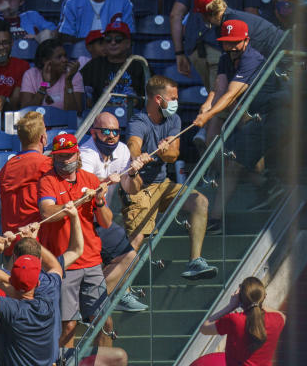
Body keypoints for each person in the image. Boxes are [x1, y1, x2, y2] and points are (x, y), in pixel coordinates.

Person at [0, 204, 84, 366]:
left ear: (15, 260)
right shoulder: (49, 288)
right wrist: (33, 240)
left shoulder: (12, 300)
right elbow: (65, 259)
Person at [125, 75, 217, 280]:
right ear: (158, 99)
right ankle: (122, 288)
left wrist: (162, 151)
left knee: (199, 202)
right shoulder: (138, 121)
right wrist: (137, 156)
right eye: (173, 98)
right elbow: (133, 144)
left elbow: (173, 155)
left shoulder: (173, 119)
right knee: (137, 238)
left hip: (163, 185)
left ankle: (195, 261)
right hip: (140, 188)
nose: (176, 102)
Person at [193, 19, 288, 215]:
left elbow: (230, 94)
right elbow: (219, 88)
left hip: (276, 115)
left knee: (233, 163)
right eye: (227, 41)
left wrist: (209, 115)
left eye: (235, 41)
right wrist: (207, 104)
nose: (231, 46)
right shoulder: (225, 59)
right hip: (259, 116)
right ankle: (267, 186)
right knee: (229, 160)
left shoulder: (252, 59)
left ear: (246, 40)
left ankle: (216, 219)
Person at [38, 133, 115, 347]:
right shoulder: (48, 181)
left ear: (77, 155)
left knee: (104, 321)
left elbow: (106, 222)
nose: (65, 160)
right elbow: (46, 212)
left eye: (69, 155)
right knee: (68, 326)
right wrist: (72, 204)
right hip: (63, 262)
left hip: (90, 260)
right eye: (60, 156)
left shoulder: (90, 179)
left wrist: (99, 201)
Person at [79, 112, 152, 313]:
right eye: (106, 131)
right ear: (93, 133)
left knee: (130, 257)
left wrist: (133, 172)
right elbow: (85, 191)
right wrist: (106, 181)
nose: (111, 135)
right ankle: (92, 303)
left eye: (116, 131)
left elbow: (132, 188)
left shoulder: (121, 150)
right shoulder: (86, 154)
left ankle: (92, 303)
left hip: (101, 218)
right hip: (79, 221)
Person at [201, 276, 285, 366]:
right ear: (263, 296)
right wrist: (258, 303)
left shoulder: (235, 320)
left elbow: (204, 327)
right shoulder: (276, 320)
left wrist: (231, 306)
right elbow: (282, 315)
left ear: (241, 299)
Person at [0, 111, 51, 250]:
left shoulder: (7, 166)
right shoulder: (46, 164)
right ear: (43, 138)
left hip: (12, 242)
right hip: (36, 243)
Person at [80, 19, 145, 106]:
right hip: (101, 116)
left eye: (118, 39)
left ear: (128, 43)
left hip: (132, 116)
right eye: (108, 39)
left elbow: (151, 97)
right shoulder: (94, 65)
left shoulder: (140, 65)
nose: (113, 43)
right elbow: (81, 94)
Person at [20, 39, 85, 111]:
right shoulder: (31, 75)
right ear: (45, 61)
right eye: (59, 57)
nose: (65, 60)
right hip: (37, 121)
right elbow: (26, 111)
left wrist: (68, 81)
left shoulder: (74, 75)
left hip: (65, 121)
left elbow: (75, 113)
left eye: (65, 56)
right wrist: (44, 85)